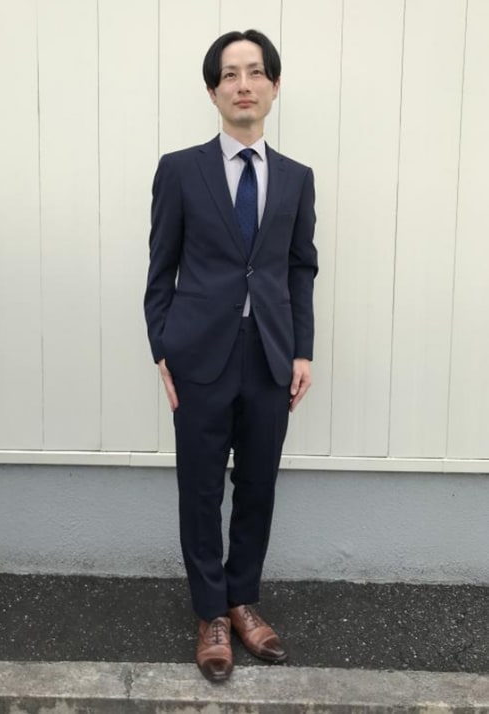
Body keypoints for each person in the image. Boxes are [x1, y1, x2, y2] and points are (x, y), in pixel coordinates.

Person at [144, 29, 318, 682]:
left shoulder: (296, 179)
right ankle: (210, 613)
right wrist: (163, 347)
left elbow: (300, 269)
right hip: (198, 356)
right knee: (199, 486)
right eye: (229, 75)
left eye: (255, 72)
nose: (243, 85)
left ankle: (242, 600)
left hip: (269, 355)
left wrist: (302, 350)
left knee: (258, 485)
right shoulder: (180, 170)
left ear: (274, 86)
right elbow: (161, 267)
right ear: (213, 91)